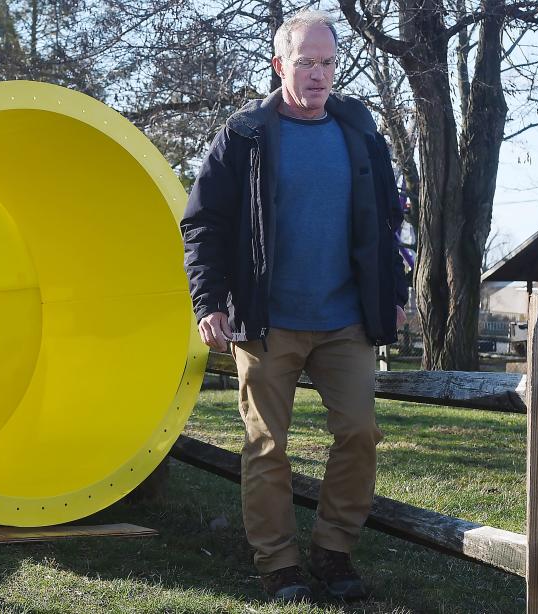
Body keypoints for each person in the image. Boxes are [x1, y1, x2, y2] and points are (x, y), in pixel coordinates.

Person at [180, 8, 408, 604]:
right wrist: (209, 300)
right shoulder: (245, 134)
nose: (318, 74)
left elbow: (388, 222)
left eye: (328, 63)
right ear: (280, 63)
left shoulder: (359, 131)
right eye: (306, 62)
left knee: (359, 434)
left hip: (346, 321)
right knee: (266, 446)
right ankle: (279, 565)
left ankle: (333, 554)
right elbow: (203, 224)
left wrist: (396, 293)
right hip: (266, 322)